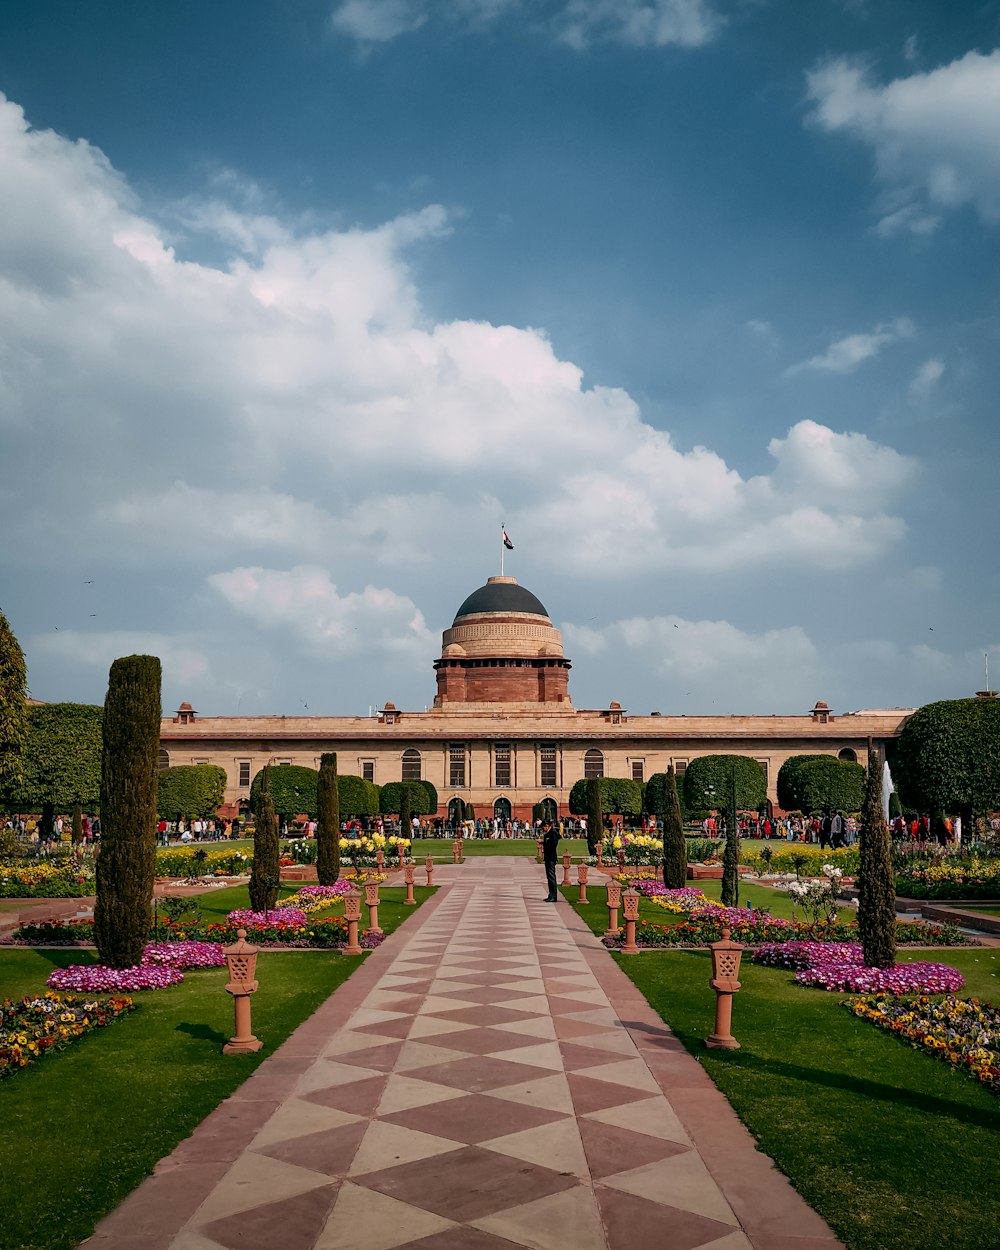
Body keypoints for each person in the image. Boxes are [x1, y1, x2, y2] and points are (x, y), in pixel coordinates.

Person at [541, 818, 560, 901]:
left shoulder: (553, 833)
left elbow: (553, 844)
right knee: (549, 876)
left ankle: (553, 896)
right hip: (548, 857)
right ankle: (551, 894)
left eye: (543, 827)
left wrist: (545, 843)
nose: (543, 829)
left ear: (547, 826)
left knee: (551, 876)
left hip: (551, 857)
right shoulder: (547, 834)